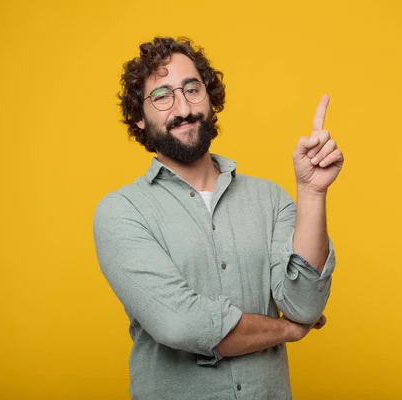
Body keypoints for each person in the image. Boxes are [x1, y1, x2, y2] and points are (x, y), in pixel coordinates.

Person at [93, 36, 344, 399]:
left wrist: (312, 192)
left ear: (210, 98)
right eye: (162, 96)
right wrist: (285, 330)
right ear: (140, 118)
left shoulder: (270, 199)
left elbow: (304, 304)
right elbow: (180, 324)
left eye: (192, 89)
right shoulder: (122, 211)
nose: (183, 108)